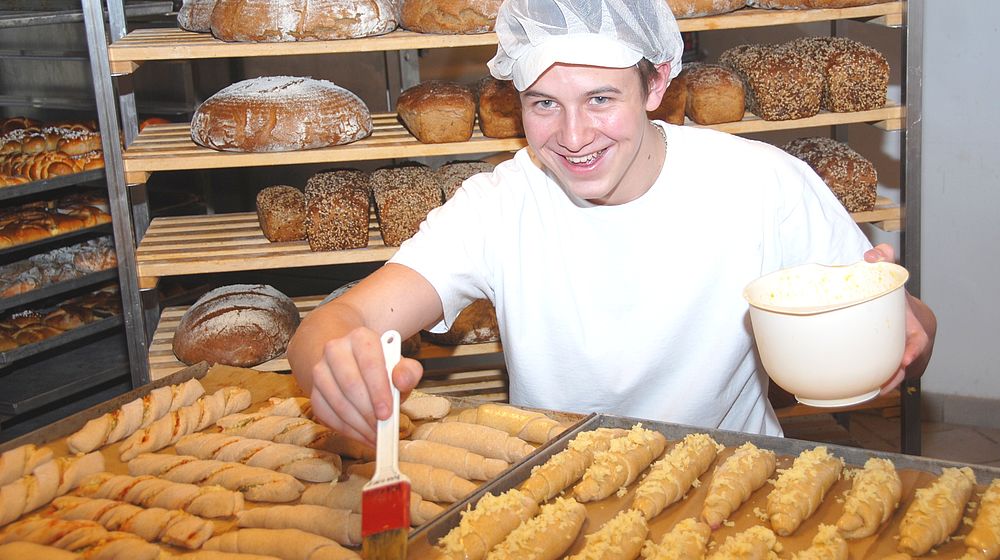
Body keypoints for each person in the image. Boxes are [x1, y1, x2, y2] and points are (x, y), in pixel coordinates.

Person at [287, 0, 936, 445]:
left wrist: (905, 331)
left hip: (732, 479)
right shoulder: (502, 203)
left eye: (601, 99)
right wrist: (336, 365)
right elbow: (335, 325)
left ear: (656, 86)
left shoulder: (759, 184)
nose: (572, 137)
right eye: (544, 104)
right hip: (556, 483)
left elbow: (907, 323)